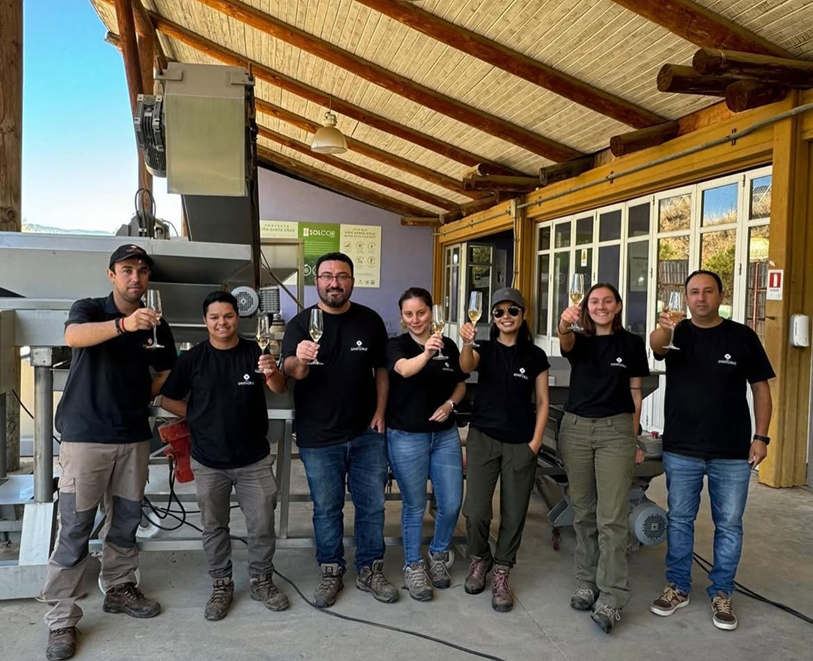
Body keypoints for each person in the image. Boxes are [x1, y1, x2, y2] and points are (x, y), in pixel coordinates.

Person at [43, 245, 176, 661]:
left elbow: (169, 370)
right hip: (86, 436)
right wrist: (123, 324)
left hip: (133, 435)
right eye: (127, 270)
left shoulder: (157, 323)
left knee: (126, 520)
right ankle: (61, 619)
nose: (135, 278)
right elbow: (73, 337)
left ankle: (118, 587)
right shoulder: (90, 309)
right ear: (111, 274)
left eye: (142, 271)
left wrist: (142, 391)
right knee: (75, 527)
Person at [649, 270, 774, 631]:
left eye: (707, 292)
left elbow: (761, 389)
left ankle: (722, 592)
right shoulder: (677, 333)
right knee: (679, 520)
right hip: (682, 448)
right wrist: (665, 327)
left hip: (733, 451)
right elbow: (657, 346)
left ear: (721, 295)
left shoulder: (742, 337)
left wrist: (761, 437)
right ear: (685, 298)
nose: (700, 298)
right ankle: (678, 587)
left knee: (729, 525)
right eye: (693, 292)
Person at [160, 291, 289, 621]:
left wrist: (272, 370)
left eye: (228, 316)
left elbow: (278, 388)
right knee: (214, 526)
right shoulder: (193, 359)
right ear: (205, 321)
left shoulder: (254, 352)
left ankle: (262, 579)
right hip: (208, 461)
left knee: (261, 524)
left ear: (238, 318)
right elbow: (167, 398)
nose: (222, 322)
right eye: (215, 317)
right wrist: (196, 414)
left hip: (254, 459)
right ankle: (221, 584)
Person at [281, 252, 398, 607]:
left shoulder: (370, 321)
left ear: (352, 281)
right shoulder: (301, 324)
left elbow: (381, 370)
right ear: (316, 281)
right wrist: (299, 358)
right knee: (326, 509)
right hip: (319, 436)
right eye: (327, 276)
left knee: (372, 506)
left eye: (342, 276)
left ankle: (370, 569)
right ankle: (331, 570)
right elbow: (291, 371)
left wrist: (380, 411)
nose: (335, 282)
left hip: (366, 433)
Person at [557, 283, 649, 633]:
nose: (600, 306)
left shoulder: (631, 343)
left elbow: (635, 392)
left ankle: (611, 597)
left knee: (612, 518)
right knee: (583, 513)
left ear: (618, 306)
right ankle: (586, 582)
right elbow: (565, 341)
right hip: (576, 429)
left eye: (607, 301)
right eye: (594, 301)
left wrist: (632, 434)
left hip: (615, 432)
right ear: (585, 308)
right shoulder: (578, 340)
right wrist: (565, 325)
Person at [458, 287, 550, 612]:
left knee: (514, 512)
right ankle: (479, 558)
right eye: (499, 312)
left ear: (523, 315)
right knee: (477, 511)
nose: (506, 317)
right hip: (483, 438)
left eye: (513, 311)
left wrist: (535, 443)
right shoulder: (483, 348)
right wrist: (466, 340)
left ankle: (502, 571)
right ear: (492, 317)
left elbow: (542, 402)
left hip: (520, 442)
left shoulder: (534, 355)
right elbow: (466, 365)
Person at [386, 287, 467, 601]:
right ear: (402, 317)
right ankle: (412, 564)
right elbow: (405, 370)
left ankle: (438, 554)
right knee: (415, 505)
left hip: (445, 435)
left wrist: (449, 404)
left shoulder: (447, 343)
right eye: (409, 314)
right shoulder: (396, 345)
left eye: (421, 312)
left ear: (431, 313)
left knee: (450, 503)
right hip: (407, 436)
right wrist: (427, 353)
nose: (415, 319)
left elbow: (460, 384)